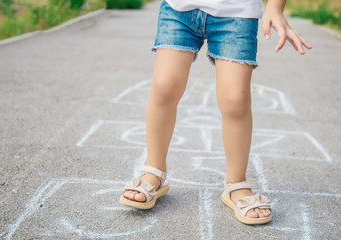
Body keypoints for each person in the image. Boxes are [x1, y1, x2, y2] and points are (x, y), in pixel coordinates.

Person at [119, 0, 312, 225]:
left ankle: (236, 183)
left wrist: (275, 7)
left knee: (235, 99)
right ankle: (154, 170)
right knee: (164, 87)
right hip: (179, 8)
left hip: (237, 12)